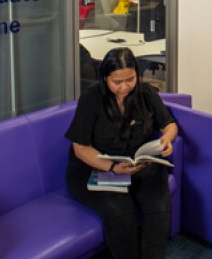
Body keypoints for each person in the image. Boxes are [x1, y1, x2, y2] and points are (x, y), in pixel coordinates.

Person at [65, 47, 178, 259]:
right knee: (119, 212)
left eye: (130, 79)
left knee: (159, 205)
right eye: (117, 82)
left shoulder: (146, 93)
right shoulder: (92, 98)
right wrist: (113, 168)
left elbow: (169, 125)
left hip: (138, 165)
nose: (125, 87)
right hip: (95, 167)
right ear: (105, 78)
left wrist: (166, 139)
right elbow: (80, 148)